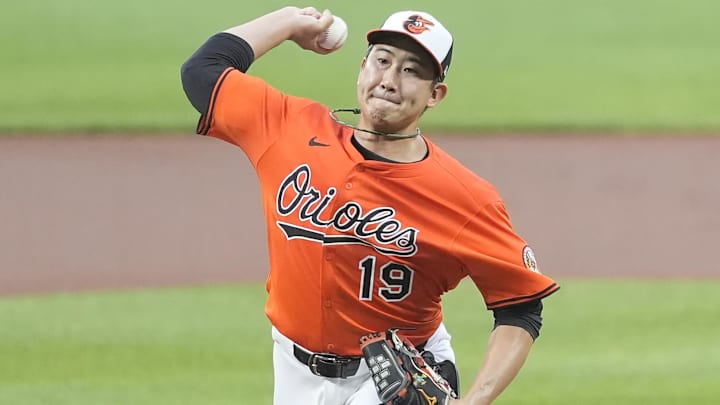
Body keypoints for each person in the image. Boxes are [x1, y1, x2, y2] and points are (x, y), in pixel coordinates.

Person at [181, 6, 559, 405]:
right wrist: (290, 22)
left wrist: (476, 401)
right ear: (362, 69)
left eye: (412, 70)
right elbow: (202, 71)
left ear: (435, 94)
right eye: (382, 61)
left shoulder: (465, 197)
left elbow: (521, 307)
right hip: (292, 373)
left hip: (397, 379)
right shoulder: (289, 130)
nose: (390, 80)